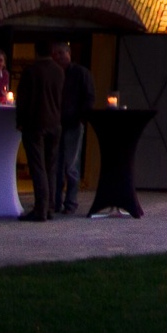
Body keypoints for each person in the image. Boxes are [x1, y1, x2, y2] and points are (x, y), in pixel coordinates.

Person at [14, 48, 65, 222]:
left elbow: (23, 98)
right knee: (50, 167)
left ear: (36, 52)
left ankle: (40, 209)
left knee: (38, 167)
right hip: (54, 123)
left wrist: (20, 120)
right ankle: (50, 207)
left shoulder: (31, 71)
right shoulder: (59, 71)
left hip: (35, 123)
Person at [51, 42, 94, 214]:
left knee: (71, 165)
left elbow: (89, 97)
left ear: (69, 53)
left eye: (61, 53)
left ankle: (70, 202)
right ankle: (55, 201)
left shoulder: (81, 73)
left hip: (73, 124)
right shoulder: (53, 73)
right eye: (55, 54)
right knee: (56, 166)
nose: (58, 57)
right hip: (56, 124)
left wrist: (80, 117)